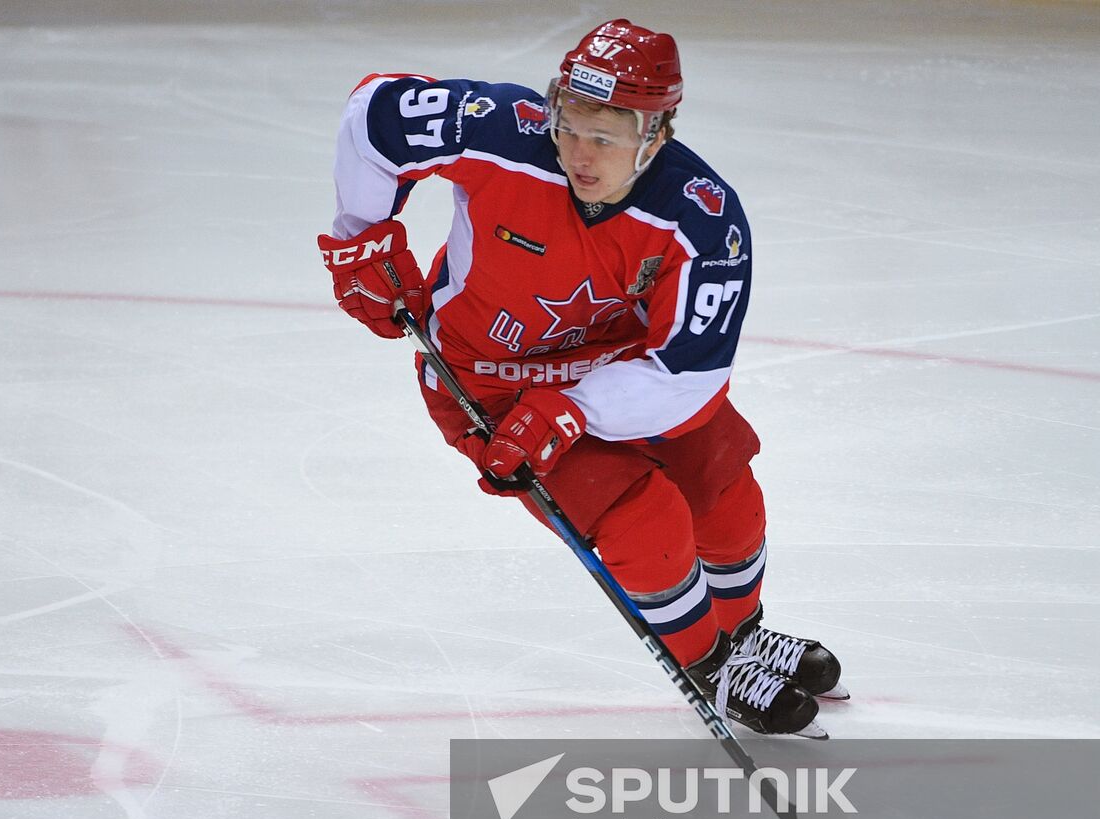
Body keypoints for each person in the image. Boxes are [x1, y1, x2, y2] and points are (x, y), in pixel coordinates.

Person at [316, 19, 846, 737]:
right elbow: (371, 115)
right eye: (570, 126)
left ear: (655, 134)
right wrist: (360, 237)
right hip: (489, 385)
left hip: (617, 376)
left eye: (606, 137)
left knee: (720, 480)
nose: (578, 154)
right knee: (644, 518)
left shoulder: (701, 217)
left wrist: (572, 406)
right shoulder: (504, 132)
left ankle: (745, 636)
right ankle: (713, 667)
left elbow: (689, 375)